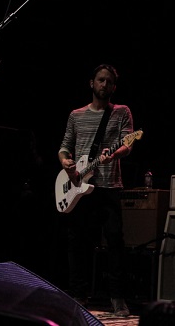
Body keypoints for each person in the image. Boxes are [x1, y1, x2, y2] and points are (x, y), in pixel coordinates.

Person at [58, 64, 133, 317]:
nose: (104, 85)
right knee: (77, 241)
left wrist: (114, 154)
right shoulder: (76, 115)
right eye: (100, 80)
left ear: (114, 86)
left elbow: (128, 143)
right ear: (92, 83)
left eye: (109, 82)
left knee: (114, 241)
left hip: (109, 185)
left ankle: (117, 298)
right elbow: (65, 146)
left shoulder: (121, 112)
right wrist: (65, 163)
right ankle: (78, 294)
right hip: (79, 187)